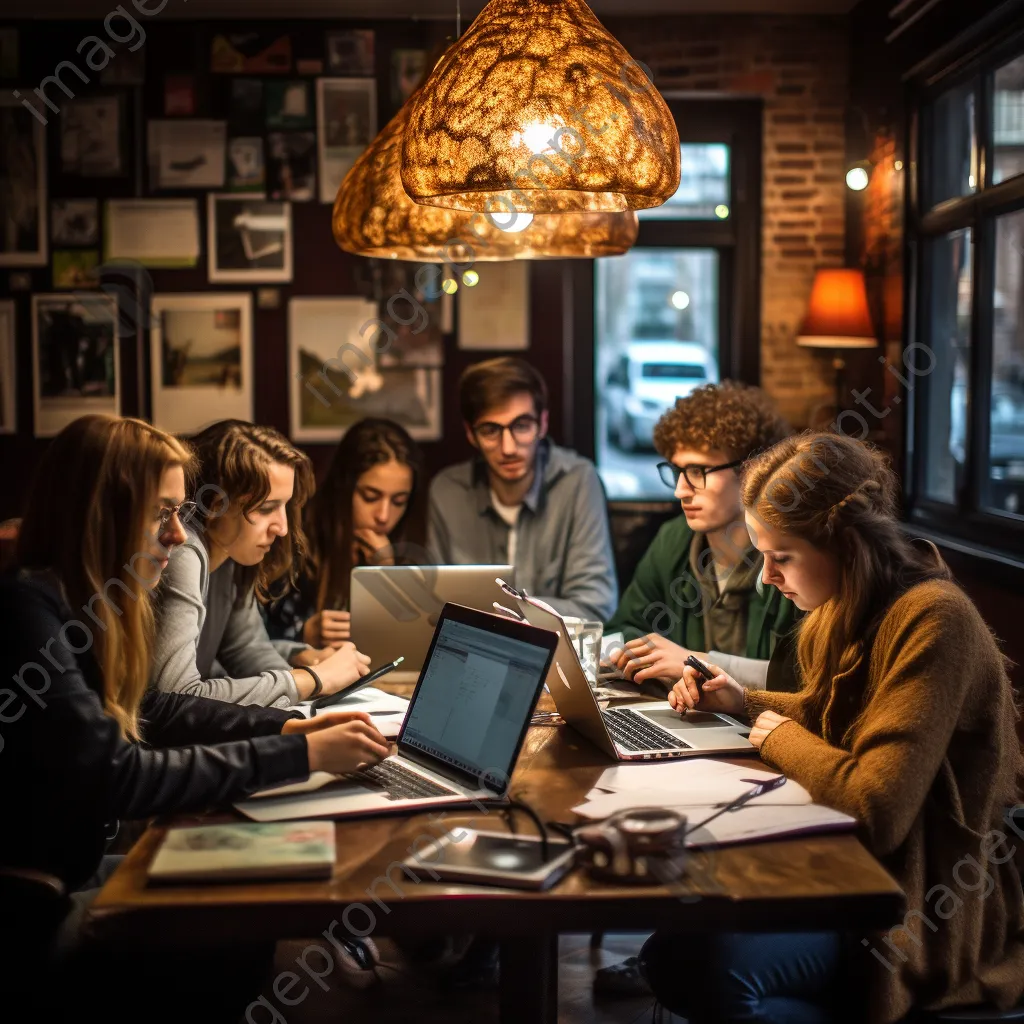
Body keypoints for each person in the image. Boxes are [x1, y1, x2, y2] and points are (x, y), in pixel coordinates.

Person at [0, 415, 389, 1022]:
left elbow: (158, 707)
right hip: (29, 910)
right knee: (240, 931)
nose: (181, 537)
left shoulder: (81, 603)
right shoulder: (28, 613)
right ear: (102, 509)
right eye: (163, 514)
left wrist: (287, 729)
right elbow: (119, 775)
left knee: (260, 882)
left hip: (71, 869)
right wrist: (300, 755)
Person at [642, 432, 1024, 1023]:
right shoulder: (842, 604)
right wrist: (742, 701)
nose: (767, 576)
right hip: (856, 873)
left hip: (927, 907)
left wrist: (774, 733)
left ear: (847, 545)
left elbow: (878, 805)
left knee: (704, 963)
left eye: (782, 556)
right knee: (673, 951)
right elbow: (831, 718)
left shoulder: (935, 620)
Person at [151, 420, 371, 708]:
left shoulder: (231, 553)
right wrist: (311, 679)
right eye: (266, 508)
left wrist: (309, 674)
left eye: (285, 506)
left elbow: (247, 650)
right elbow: (175, 695)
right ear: (216, 504)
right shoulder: (183, 550)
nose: (282, 527)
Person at [606, 381, 798, 690]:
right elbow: (622, 630)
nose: (681, 490)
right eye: (677, 471)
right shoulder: (673, 540)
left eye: (698, 471)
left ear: (752, 469)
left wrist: (693, 662)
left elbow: (805, 679)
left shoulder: (788, 554)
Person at [428, 357, 617, 622]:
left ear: (543, 423)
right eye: (491, 430)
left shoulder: (578, 481)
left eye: (521, 426)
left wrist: (501, 614)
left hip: (553, 654)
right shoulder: (448, 491)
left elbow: (595, 605)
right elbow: (433, 605)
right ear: (471, 434)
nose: (508, 447)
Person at [265, 418, 426, 648]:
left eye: (399, 501)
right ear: (344, 487)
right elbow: (248, 640)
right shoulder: (296, 535)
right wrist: (303, 634)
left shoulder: (408, 544)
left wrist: (389, 576)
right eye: (370, 497)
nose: (383, 515)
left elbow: (414, 642)